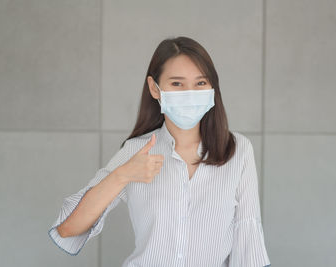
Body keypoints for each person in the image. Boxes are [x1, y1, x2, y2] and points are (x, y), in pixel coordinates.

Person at [48, 36, 271, 267]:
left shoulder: (238, 151)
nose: (189, 92)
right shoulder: (136, 151)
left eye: (200, 83)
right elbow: (68, 229)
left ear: (212, 88)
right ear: (155, 88)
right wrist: (123, 174)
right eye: (177, 83)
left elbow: (248, 238)